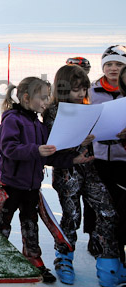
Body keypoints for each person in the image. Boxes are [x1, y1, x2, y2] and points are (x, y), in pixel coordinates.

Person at [0, 76, 92, 283]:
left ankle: (33, 258)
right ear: (27, 98)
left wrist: (73, 158)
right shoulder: (12, 119)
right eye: (43, 97)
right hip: (11, 185)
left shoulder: (39, 126)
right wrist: (35, 149)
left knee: (31, 225)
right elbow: (9, 148)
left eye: (48, 97)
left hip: (32, 188)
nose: (47, 102)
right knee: (1, 224)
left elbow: (50, 154)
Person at [43, 65, 119, 286]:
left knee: (108, 211)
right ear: (64, 89)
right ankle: (64, 257)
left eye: (85, 89)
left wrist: (115, 134)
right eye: (77, 90)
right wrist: (78, 142)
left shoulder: (88, 107)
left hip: (91, 170)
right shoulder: (54, 112)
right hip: (68, 173)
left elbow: (101, 134)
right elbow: (52, 147)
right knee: (72, 216)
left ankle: (108, 262)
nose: (82, 94)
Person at [88, 45, 126, 286]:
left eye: (119, 65)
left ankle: (118, 253)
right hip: (98, 157)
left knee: (120, 208)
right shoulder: (92, 91)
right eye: (109, 64)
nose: (113, 69)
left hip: (123, 159)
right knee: (99, 205)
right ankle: (96, 240)